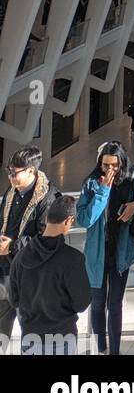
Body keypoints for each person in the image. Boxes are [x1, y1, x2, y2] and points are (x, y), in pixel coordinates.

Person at [76, 141, 134, 356]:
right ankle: (101, 348)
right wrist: (103, 191)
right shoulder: (91, 184)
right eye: (106, 165)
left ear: (122, 163)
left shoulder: (132, 177)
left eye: (115, 165)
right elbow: (85, 219)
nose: (110, 170)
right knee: (97, 304)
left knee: (115, 304)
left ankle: (115, 351)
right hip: (97, 254)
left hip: (121, 253)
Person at [8, 194, 91, 355]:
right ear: (69, 221)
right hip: (62, 337)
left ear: (46, 218)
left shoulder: (20, 257)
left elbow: (14, 300)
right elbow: (81, 304)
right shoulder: (73, 259)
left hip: (30, 338)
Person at [0, 145, 58, 352]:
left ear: (31, 171)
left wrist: (12, 246)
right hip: (7, 270)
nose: (10, 177)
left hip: (32, 274)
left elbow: (47, 239)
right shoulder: (11, 193)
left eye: (14, 173)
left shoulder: (49, 198)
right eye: (9, 172)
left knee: (31, 328)